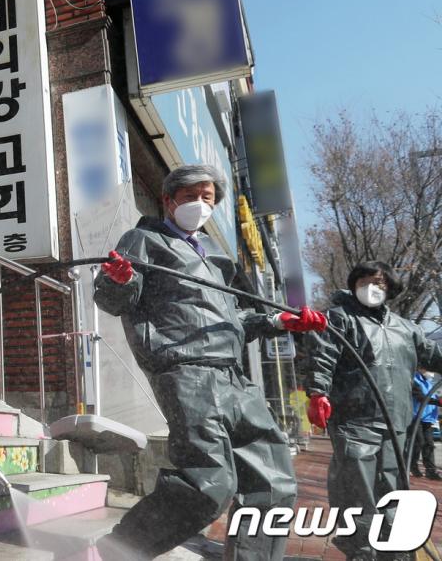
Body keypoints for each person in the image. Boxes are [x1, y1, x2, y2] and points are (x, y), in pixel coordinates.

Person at [93, 164, 327, 561]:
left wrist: (278, 320)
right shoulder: (144, 240)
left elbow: (233, 323)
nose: (200, 205)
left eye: (208, 198)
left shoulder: (216, 257)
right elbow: (114, 300)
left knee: (273, 482)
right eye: (190, 197)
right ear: (168, 201)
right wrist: (118, 280)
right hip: (186, 371)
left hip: (234, 377)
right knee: (209, 484)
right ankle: (113, 553)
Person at [305, 261, 442, 560]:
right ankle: (361, 551)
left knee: (393, 490)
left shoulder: (407, 329)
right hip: (354, 421)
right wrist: (317, 392)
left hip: (396, 425)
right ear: (354, 283)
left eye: (380, 283)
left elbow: (434, 355)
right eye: (366, 281)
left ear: (390, 288)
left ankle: (394, 550)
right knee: (356, 491)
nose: (373, 287)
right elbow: (322, 357)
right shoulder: (339, 320)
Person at [409, 368, 440, 480]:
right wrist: (438, 402)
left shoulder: (429, 382)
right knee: (418, 442)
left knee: (429, 444)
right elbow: (421, 398)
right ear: (420, 369)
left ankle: (431, 471)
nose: (430, 373)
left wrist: (438, 401)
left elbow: (433, 396)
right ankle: (412, 465)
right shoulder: (414, 380)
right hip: (416, 417)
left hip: (428, 418)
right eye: (427, 370)